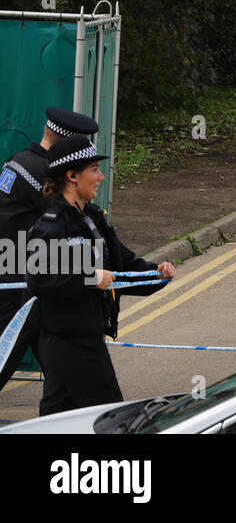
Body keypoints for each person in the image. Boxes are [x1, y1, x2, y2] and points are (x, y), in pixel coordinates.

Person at [24, 135, 176, 415]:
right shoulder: (50, 227)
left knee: (58, 419)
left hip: (82, 337)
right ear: (71, 175)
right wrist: (90, 278)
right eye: (93, 169)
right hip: (69, 342)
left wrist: (157, 274)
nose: (101, 177)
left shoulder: (94, 218)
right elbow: (39, 278)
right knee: (112, 419)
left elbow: (121, 264)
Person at [0, 108, 99, 390]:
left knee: (51, 352)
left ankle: (71, 400)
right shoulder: (45, 175)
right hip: (21, 275)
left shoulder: (18, 161)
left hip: (16, 268)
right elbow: (76, 217)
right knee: (10, 347)